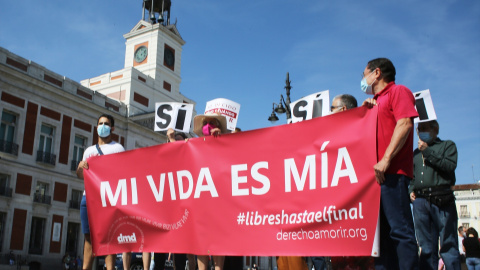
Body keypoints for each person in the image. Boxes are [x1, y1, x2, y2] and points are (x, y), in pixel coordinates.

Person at [361, 58, 419, 270]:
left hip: (393, 173)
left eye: (364, 74)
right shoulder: (375, 102)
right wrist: (365, 114)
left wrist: (386, 159)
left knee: (400, 231)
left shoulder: (398, 92)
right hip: (374, 180)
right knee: (382, 240)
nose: (363, 80)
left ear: (377, 73)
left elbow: (404, 124)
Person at [310, 94, 358, 270]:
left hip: (350, 203)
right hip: (326, 199)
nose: (329, 112)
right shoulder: (329, 134)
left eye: (332, 108)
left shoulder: (359, 130)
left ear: (343, 109)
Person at [409, 120, 460, 270]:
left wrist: (428, 151)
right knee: (425, 246)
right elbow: (412, 176)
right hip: (421, 202)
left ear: (435, 129)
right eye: (419, 129)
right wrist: (410, 190)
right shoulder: (415, 154)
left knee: (448, 243)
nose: (421, 132)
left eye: (424, 128)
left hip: (441, 199)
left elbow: (449, 165)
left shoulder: (447, 146)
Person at [76, 114, 125, 270]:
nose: (103, 126)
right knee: (88, 238)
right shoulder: (89, 151)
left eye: (106, 123)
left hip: (108, 198)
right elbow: (81, 176)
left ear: (112, 128)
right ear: (97, 127)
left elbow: (124, 172)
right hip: (88, 198)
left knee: (109, 236)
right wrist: (79, 168)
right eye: (100, 123)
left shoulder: (118, 148)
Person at [192, 112, 228, 270]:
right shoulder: (194, 146)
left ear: (218, 127)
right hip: (201, 200)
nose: (208, 125)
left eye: (212, 122)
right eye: (206, 122)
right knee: (201, 241)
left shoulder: (227, 144)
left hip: (220, 200)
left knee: (219, 240)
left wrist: (221, 141)